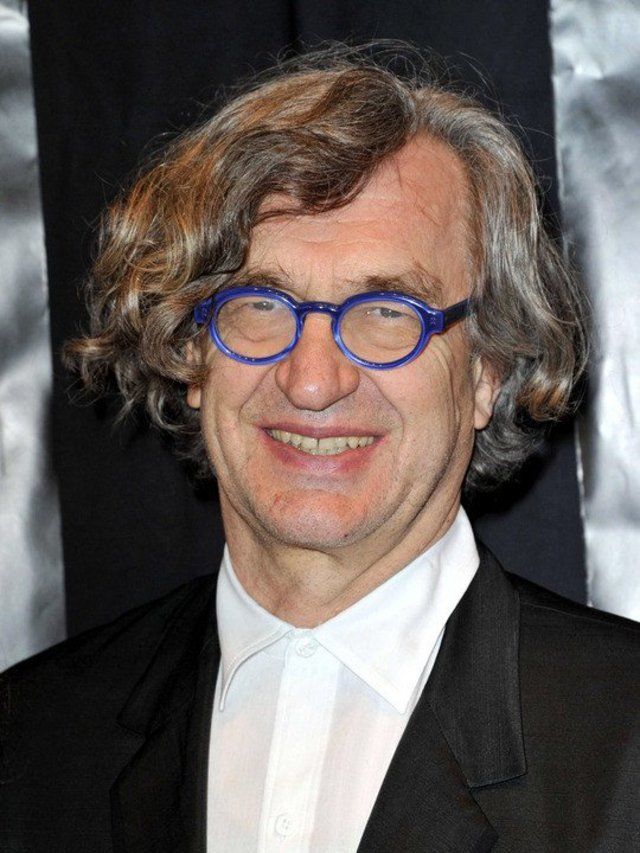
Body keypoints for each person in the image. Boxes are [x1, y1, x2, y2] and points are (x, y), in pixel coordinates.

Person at [1, 44, 639, 852]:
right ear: (190, 351)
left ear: (487, 369)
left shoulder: (626, 742)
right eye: (260, 304)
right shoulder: (30, 740)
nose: (311, 381)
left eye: (387, 313)